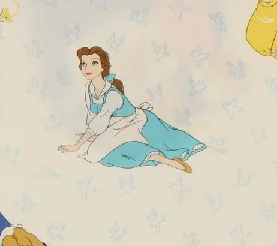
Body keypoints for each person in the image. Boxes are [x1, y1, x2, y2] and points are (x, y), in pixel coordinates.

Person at [57, 47, 204, 171]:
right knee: (103, 156)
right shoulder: (89, 88)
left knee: (102, 151)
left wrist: (77, 145)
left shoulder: (113, 94)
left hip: (134, 122)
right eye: (84, 64)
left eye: (94, 63)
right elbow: (93, 114)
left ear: (102, 67)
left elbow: (101, 120)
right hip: (114, 125)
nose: (87, 68)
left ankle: (168, 161)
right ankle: (159, 159)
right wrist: (90, 134)